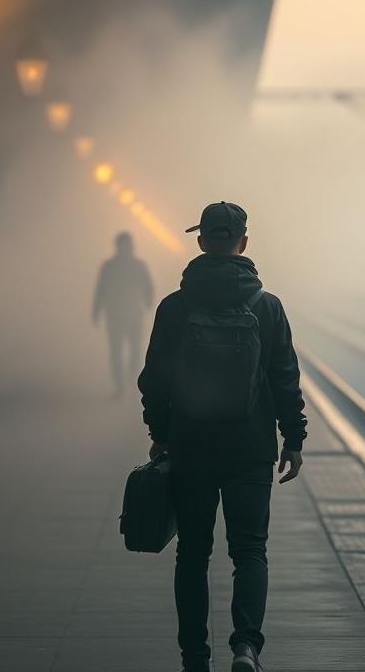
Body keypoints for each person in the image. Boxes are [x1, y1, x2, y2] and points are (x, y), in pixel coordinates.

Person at [138, 202, 306, 672]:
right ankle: (246, 648)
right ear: (244, 243)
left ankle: (195, 657)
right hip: (250, 448)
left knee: (192, 554)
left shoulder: (175, 307)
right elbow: (284, 378)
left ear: (200, 242)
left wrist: (160, 433)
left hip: (190, 445)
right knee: (249, 550)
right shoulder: (267, 307)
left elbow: (155, 377)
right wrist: (293, 438)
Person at [93, 231, 154, 394]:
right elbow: (101, 289)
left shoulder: (137, 265)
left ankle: (131, 381)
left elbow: (148, 286)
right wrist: (96, 310)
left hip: (133, 313)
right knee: (116, 352)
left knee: (134, 350)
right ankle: (121, 386)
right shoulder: (110, 266)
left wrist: (148, 302)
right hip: (116, 314)